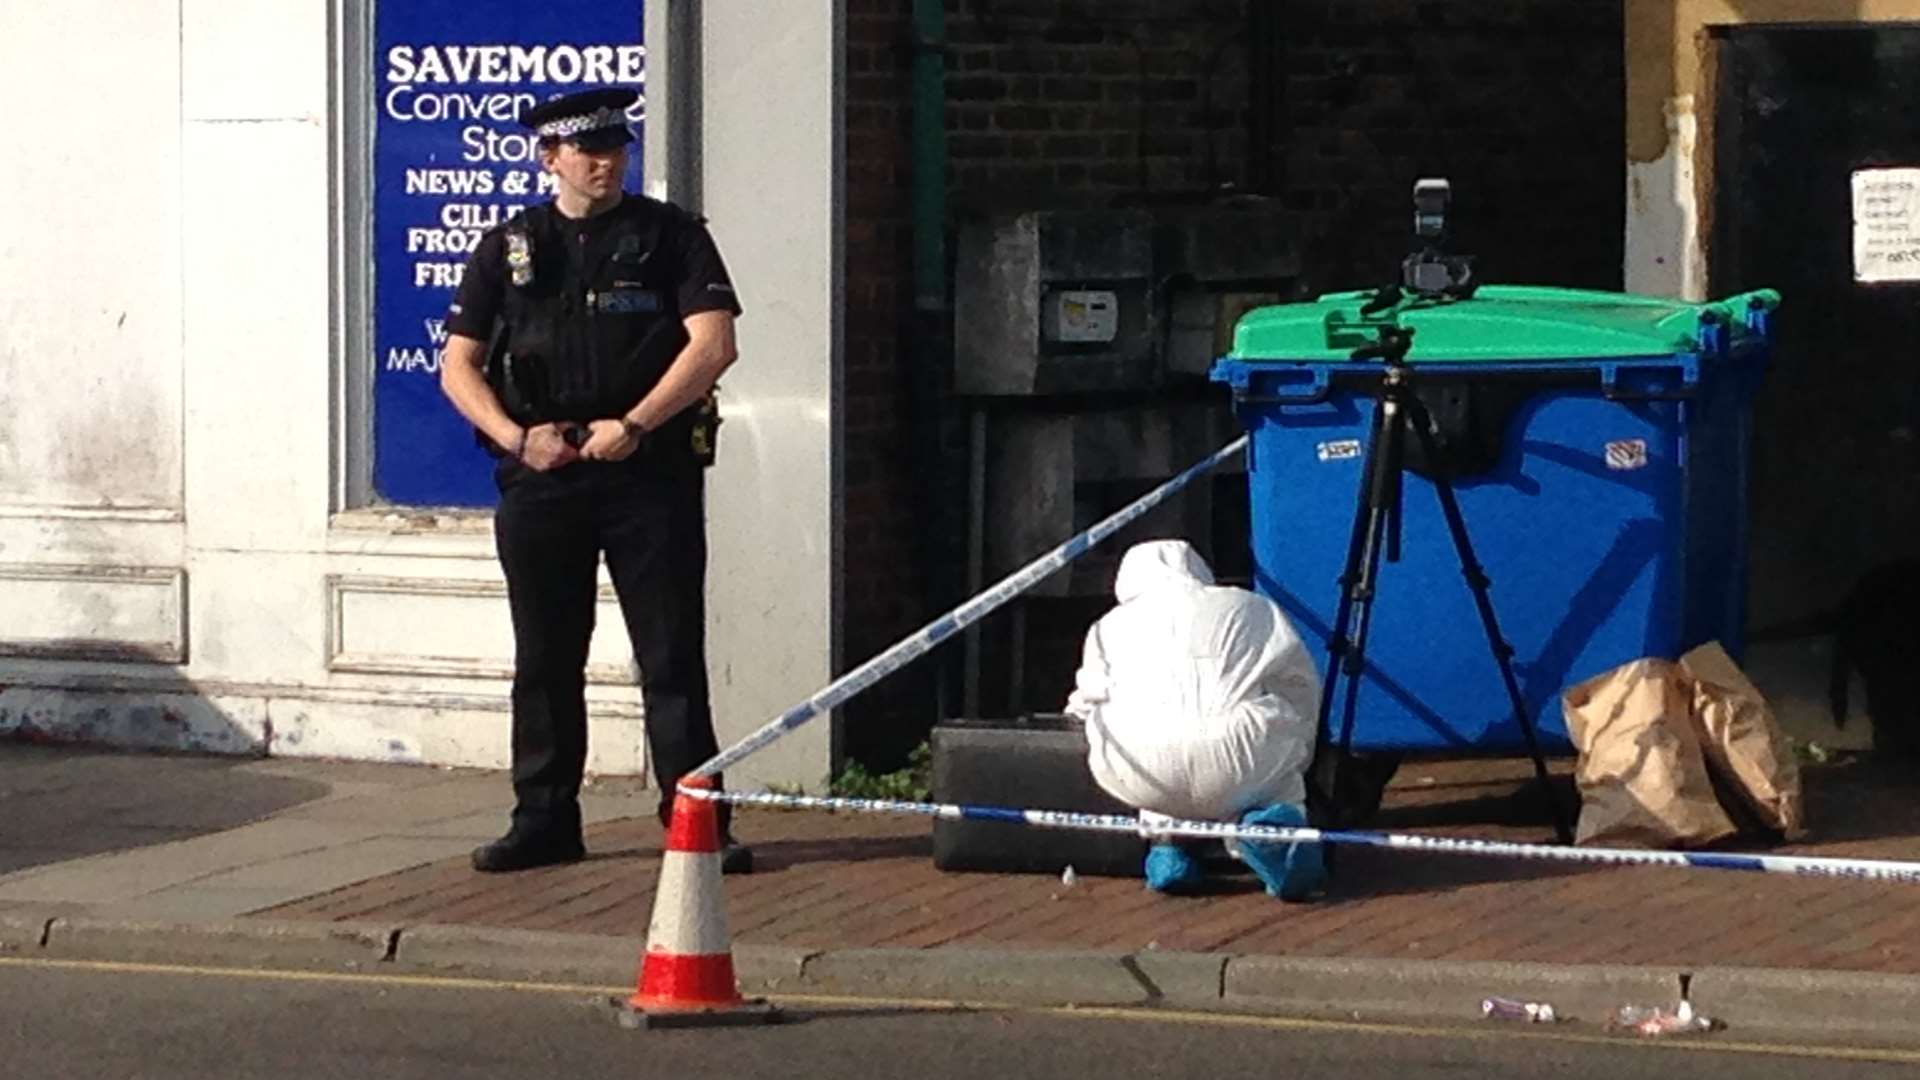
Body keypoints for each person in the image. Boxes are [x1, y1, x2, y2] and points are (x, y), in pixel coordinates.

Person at [438, 87, 750, 874]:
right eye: (586, 150)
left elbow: (712, 345)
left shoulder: (669, 237)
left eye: (614, 146)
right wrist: (516, 438)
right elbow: (458, 365)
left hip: (647, 470)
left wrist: (637, 423)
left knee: (671, 653)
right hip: (543, 472)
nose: (604, 161)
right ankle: (543, 818)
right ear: (550, 158)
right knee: (545, 655)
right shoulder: (508, 244)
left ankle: (698, 827)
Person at [1064, 540, 1325, 899]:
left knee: (1136, 732)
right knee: (1270, 757)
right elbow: (1298, 683)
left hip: (1143, 771)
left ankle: (1166, 848)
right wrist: (1300, 752)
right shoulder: (1247, 605)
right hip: (1239, 753)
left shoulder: (1107, 626)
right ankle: (1273, 834)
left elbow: (1084, 701)